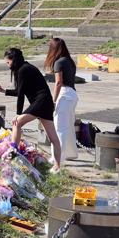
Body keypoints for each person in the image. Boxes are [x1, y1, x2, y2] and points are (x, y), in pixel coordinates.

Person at [0, 47, 63, 173]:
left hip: (41, 102)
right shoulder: (25, 68)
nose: (8, 66)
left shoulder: (23, 69)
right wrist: (3, 91)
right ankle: (57, 167)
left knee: (17, 122)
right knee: (53, 138)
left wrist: (18, 114)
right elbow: (20, 91)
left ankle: (12, 153)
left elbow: (21, 95)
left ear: (14, 60)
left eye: (8, 62)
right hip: (45, 102)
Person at [44, 38, 79, 167]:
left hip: (64, 95)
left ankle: (57, 158)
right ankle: (70, 153)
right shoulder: (69, 61)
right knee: (68, 126)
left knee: (59, 128)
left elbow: (58, 83)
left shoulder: (59, 62)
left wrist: (53, 101)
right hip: (72, 95)